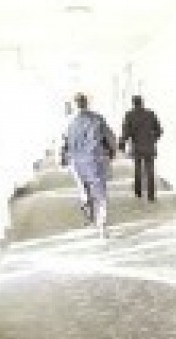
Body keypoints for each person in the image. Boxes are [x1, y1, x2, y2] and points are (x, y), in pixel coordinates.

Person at [64, 93, 116, 238]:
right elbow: (110, 138)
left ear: (75, 105)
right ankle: (102, 224)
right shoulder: (97, 118)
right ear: (86, 103)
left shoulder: (69, 122)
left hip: (76, 162)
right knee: (100, 193)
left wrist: (63, 159)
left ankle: (89, 210)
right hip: (95, 160)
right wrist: (112, 152)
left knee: (83, 189)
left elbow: (63, 143)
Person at [120, 95, 163, 201]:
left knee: (138, 169)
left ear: (133, 103)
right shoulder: (150, 114)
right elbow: (159, 130)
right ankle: (151, 195)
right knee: (150, 170)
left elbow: (126, 132)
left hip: (137, 147)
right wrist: (153, 139)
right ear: (142, 102)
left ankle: (138, 192)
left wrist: (122, 143)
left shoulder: (129, 115)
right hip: (149, 146)